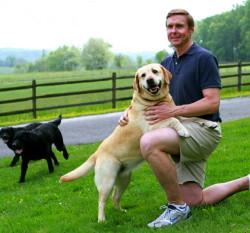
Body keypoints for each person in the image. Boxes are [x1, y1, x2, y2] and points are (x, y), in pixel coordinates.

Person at [119, 9, 250, 228]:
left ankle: (176, 208)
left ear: (190, 29)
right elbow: (150, 97)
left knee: (149, 142)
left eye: (179, 26)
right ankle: (247, 182)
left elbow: (212, 102)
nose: (174, 31)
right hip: (180, 129)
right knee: (195, 200)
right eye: (170, 27)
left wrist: (173, 111)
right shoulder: (165, 64)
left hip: (204, 128)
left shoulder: (204, 58)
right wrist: (129, 110)